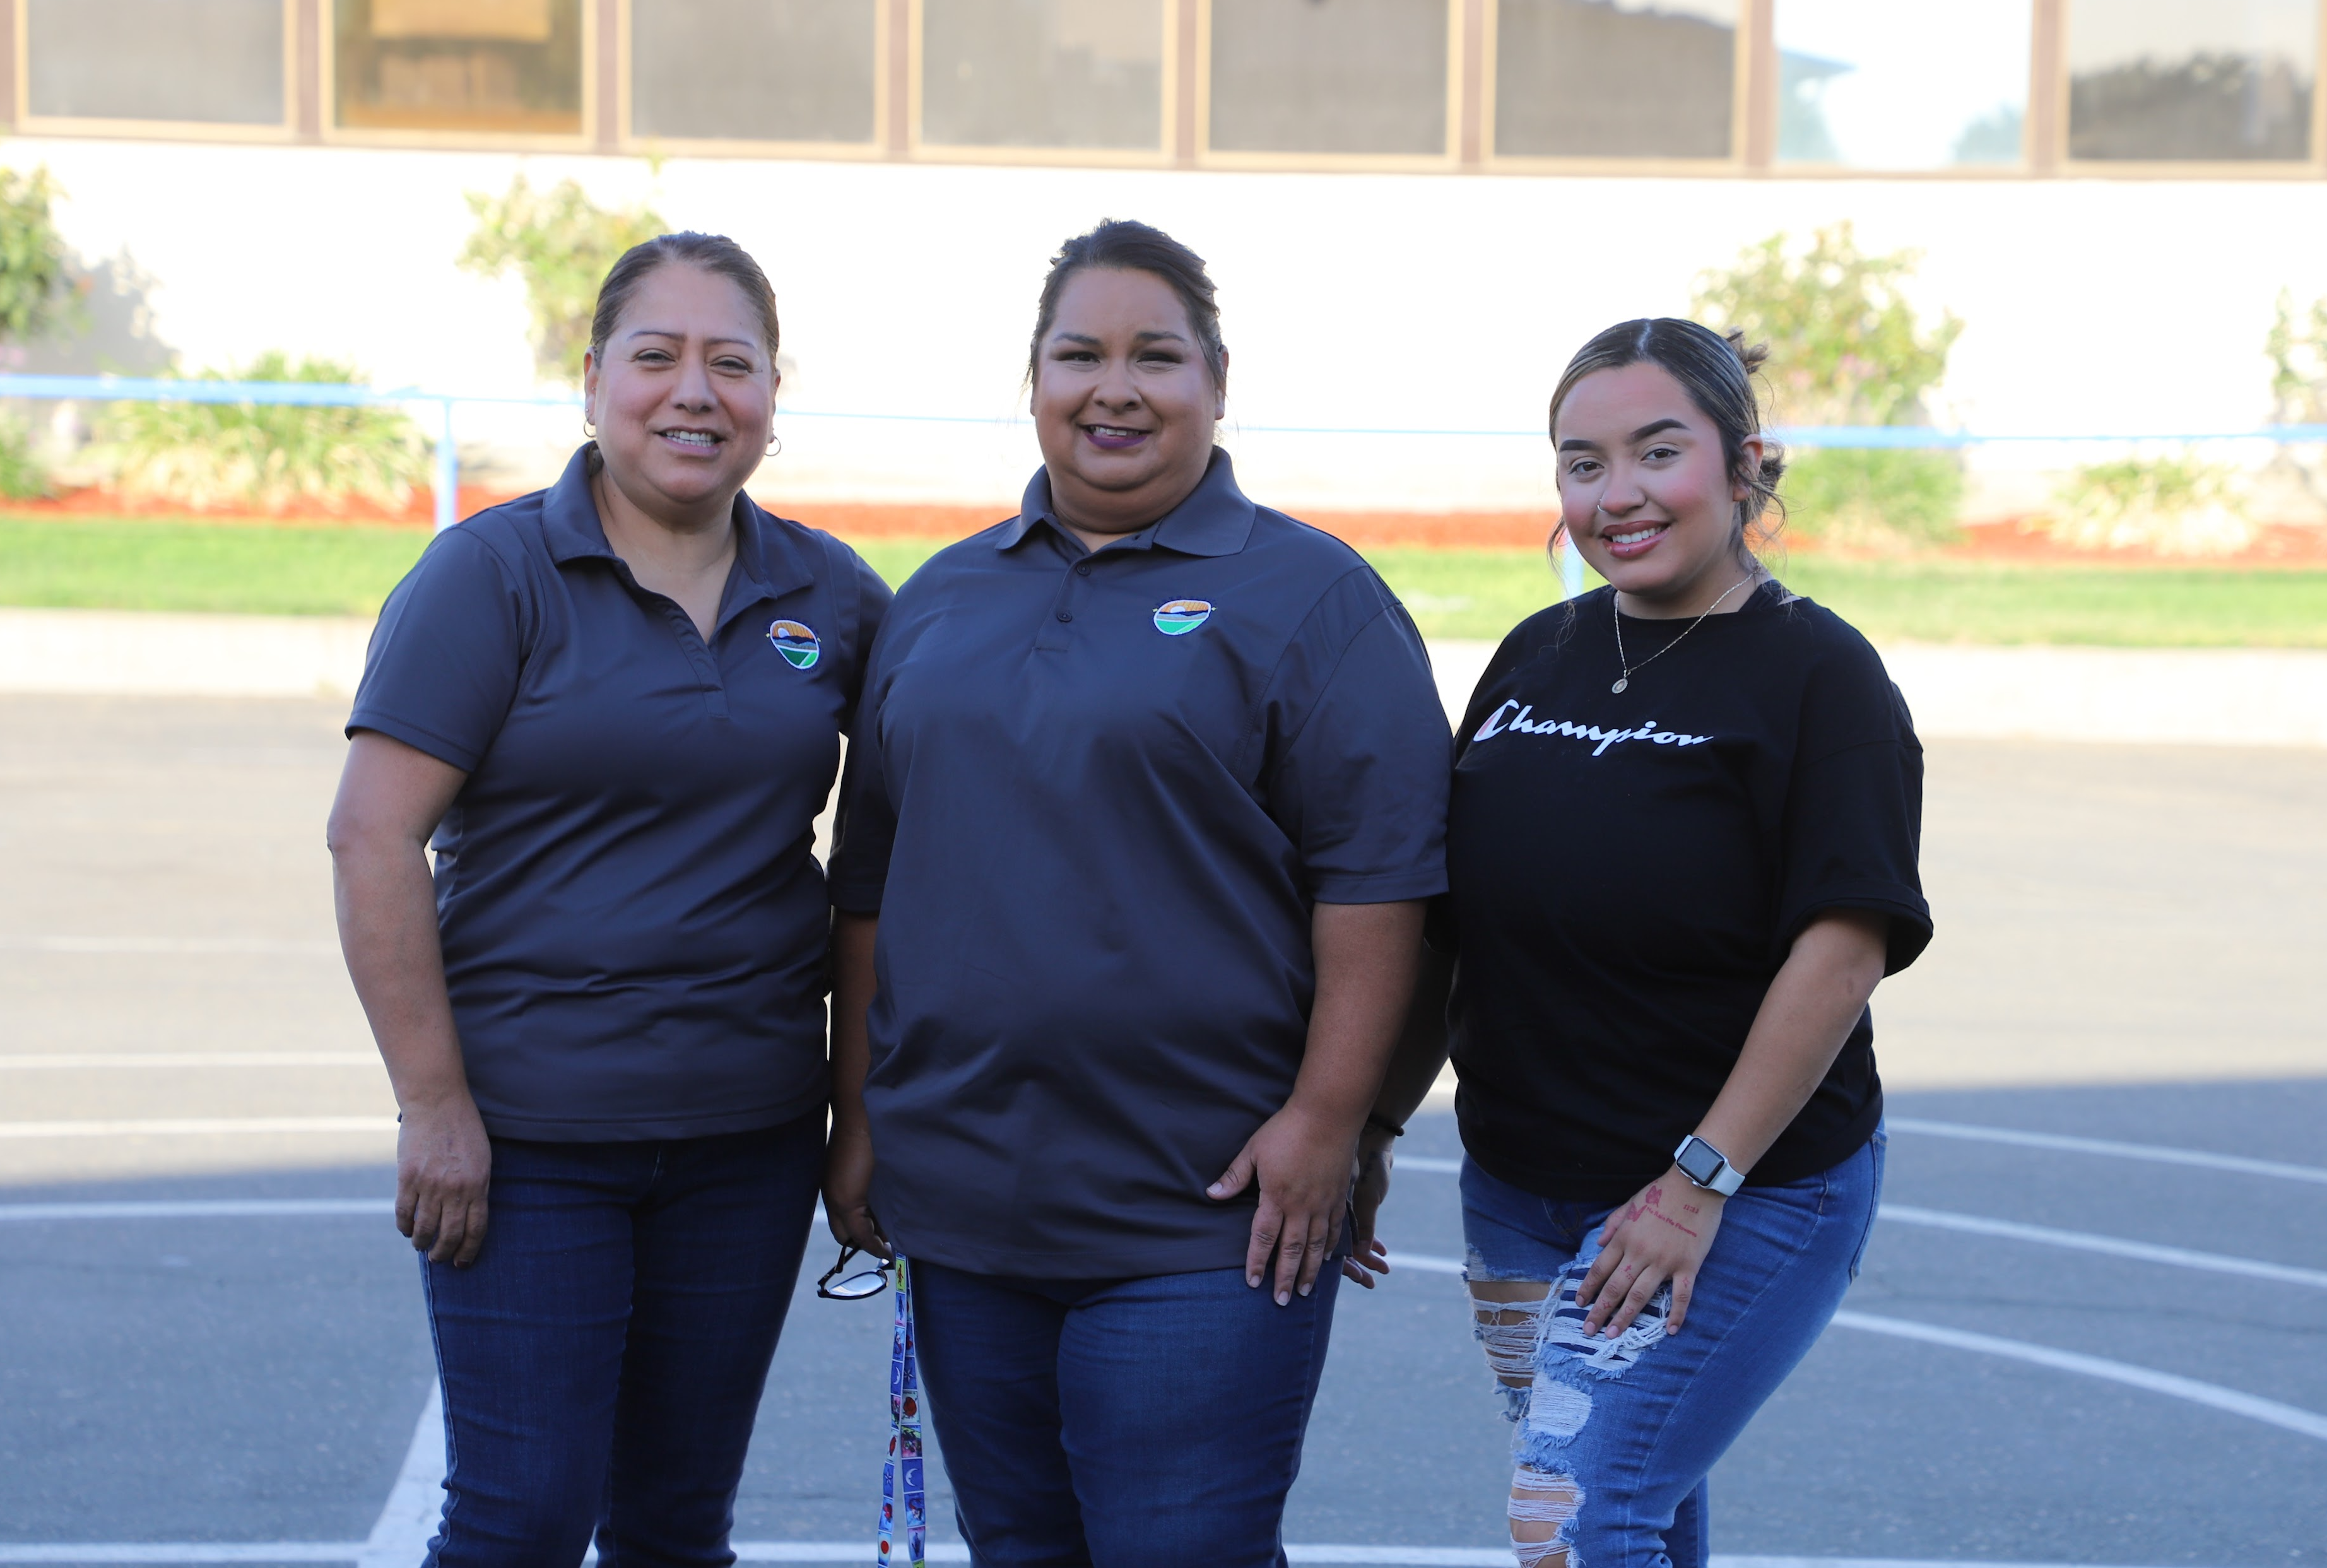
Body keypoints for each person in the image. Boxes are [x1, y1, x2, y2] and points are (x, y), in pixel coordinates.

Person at [822, 218, 1451, 1565]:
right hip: (970, 1206)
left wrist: (1333, 1121)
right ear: (1033, 381)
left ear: (1216, 384)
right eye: (1079, 355)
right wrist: (861, 1118)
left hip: (1202, 1212)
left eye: (1155, 356)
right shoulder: (938, 601)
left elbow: (1383, 888)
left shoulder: (1311, 598)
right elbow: (870, 889)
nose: (1115, 387)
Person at [326, 232, 890, 1563]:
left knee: (676, 1526)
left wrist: (860, 1120)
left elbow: (912, 845)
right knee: (521, 1519)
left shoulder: (834, 595)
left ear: (769, 397)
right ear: (592, 382)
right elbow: (369, 843)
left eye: (731, 365)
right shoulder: (490, 578)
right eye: (657, 357)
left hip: (746, 1143)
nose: (695, 393)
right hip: (527, 1147)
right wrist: (436, 1106)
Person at [1353, 318, 1932, 1568]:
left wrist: (1691, 1189)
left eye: (1654, 453)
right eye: (1580, 462)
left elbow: (1838, 954)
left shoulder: (1818, 678)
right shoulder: (1533, 656)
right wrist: (1370, 1128)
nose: (1615, 496)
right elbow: (1453, 933)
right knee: (1630, 1501)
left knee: (1570, 1513)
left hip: (1737, 1192)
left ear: (1743, 465)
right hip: (1517, 1194)